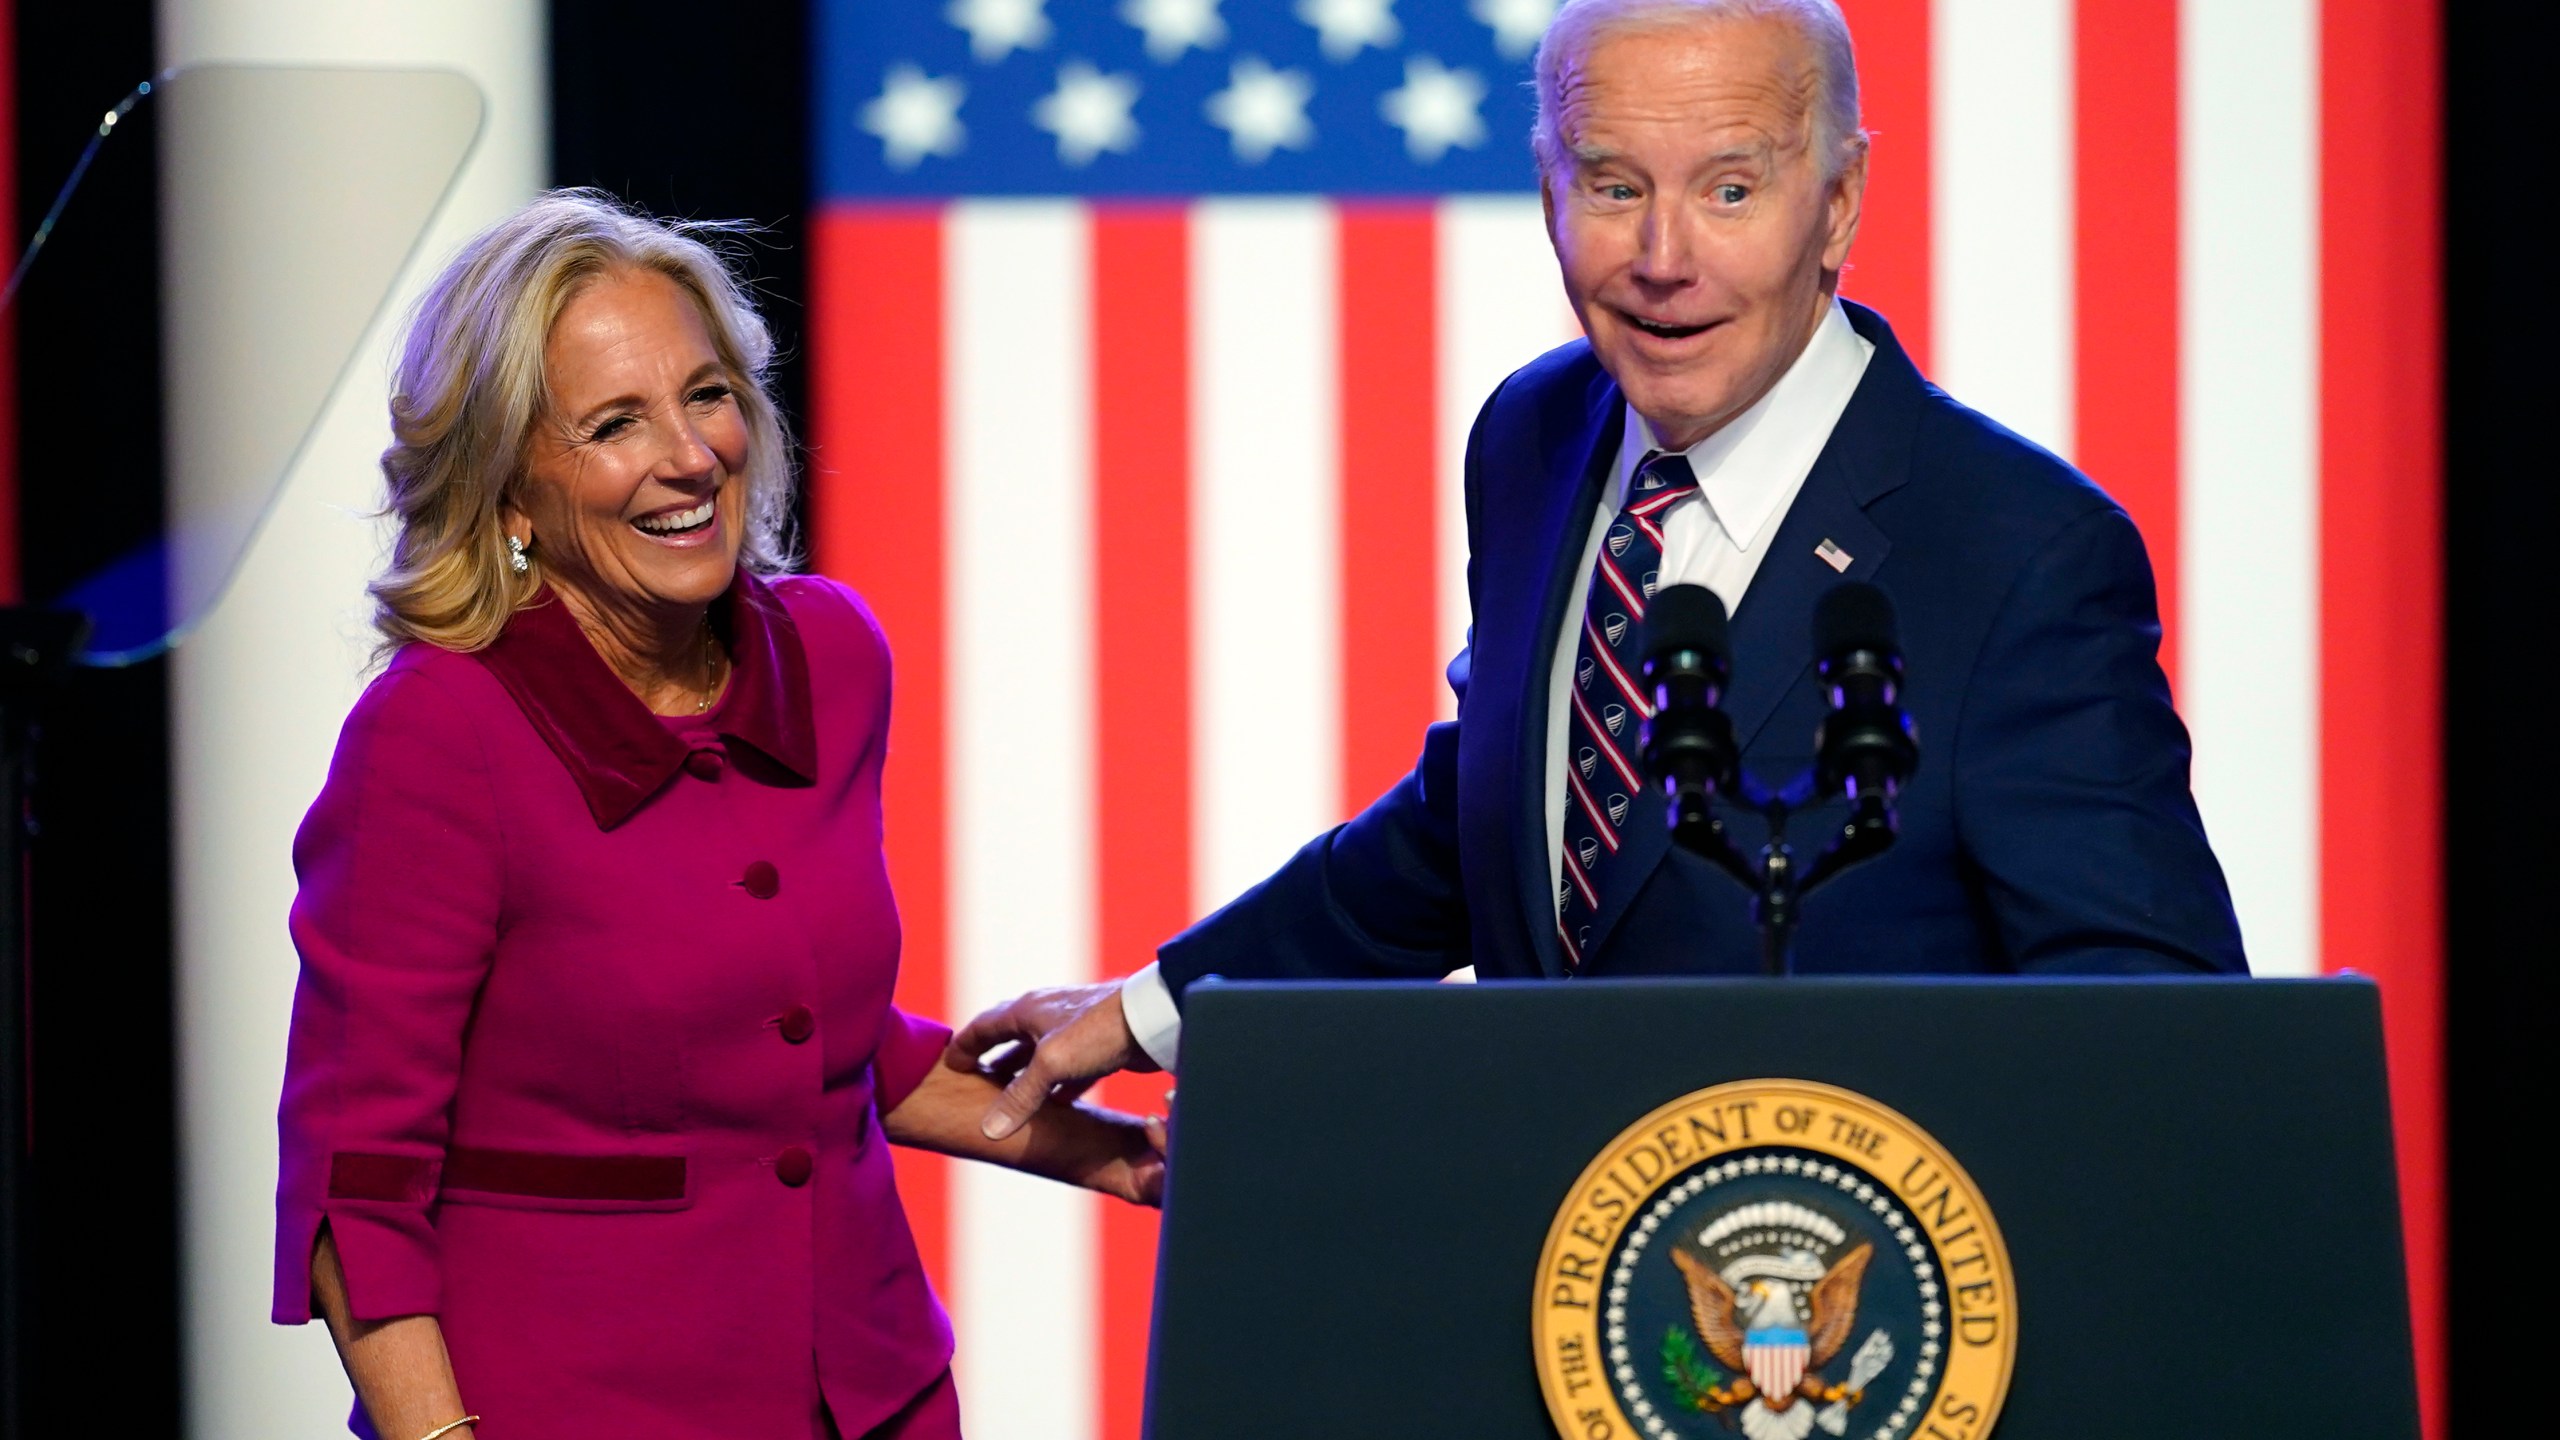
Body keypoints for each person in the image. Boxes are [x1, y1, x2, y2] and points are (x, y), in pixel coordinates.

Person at [952, 0, 2247, 1135]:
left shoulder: (2020, 549)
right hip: (1551, 1299)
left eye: (1729, 189)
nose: (1664, 259)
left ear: (1838, 201)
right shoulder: (1534, 435)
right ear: (1548, 189)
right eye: (1616, 185)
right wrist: (1159, 1008)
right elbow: (1498, 818)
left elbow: (2156, 1034)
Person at [272, 190, 1163, 1440]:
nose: (690, 456)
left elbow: (805, 1048)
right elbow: (353, 1189)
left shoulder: (830, 655)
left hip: (872, 1398)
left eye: (707, 395)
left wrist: (1126, 1160)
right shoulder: (438, 737)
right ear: (509, 490)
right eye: (613, 424)